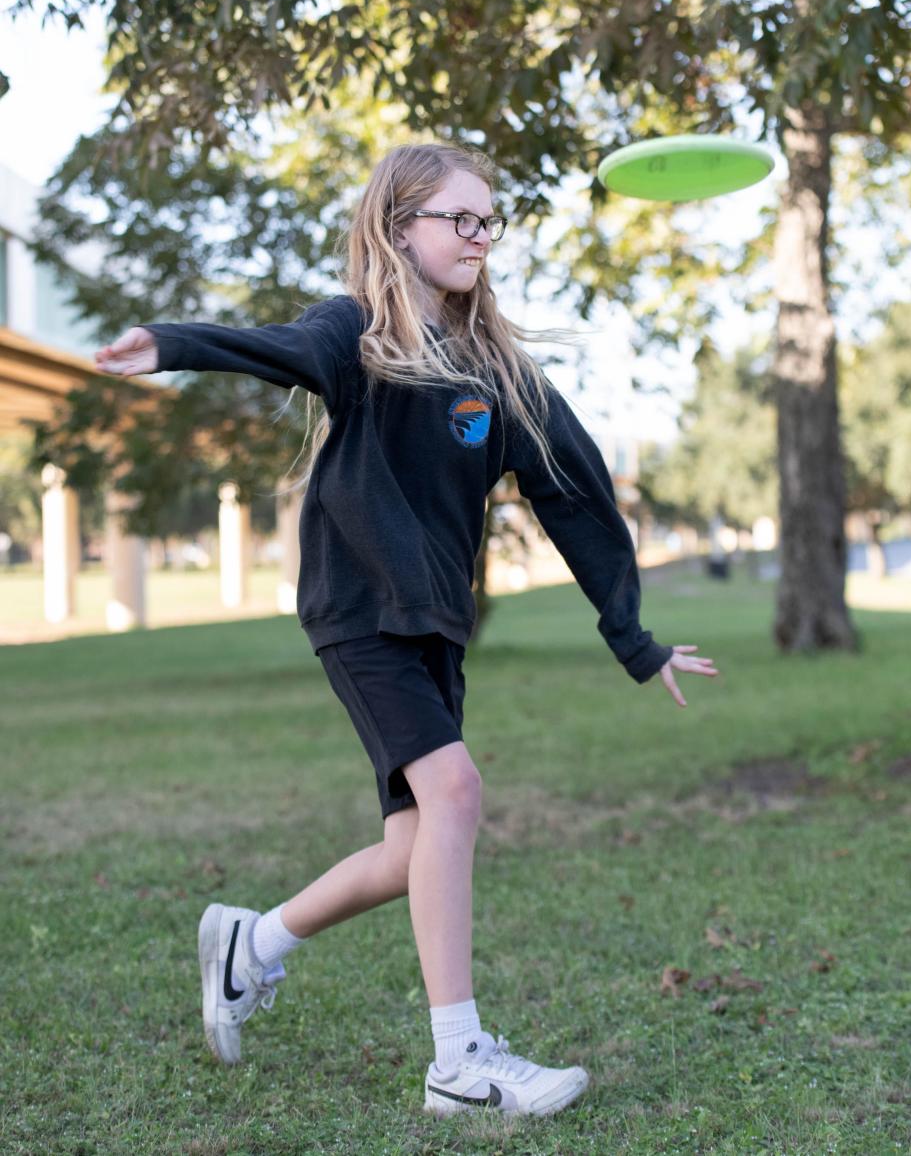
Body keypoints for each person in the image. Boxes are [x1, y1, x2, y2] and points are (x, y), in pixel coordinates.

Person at [94, 141, 719, 1117]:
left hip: (433, 623)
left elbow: (578, 494)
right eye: (457, 220)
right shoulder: (358, 334)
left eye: (488, 222)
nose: (479, 238)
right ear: (399, 229)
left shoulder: (496, 369)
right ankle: (458, 1064)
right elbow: (284, 349)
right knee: (458, 795)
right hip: (358, 610)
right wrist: (174, 344)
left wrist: (633, 636)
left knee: (413, 844)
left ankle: (249, 948)